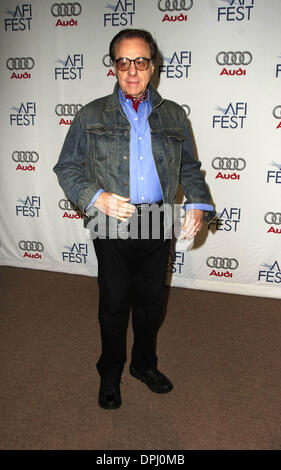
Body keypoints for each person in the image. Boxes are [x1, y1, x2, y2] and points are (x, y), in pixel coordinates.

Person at [53, 29, 214, 409]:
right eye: (123, 62)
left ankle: (144, 364)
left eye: (140, 61)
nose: (131, 70)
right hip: (111, 220)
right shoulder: (91, 114)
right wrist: (96, 197)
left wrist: (198, 203)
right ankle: (110, 373)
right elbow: (67, 168)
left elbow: (190, 167)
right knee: (113, 304)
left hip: (159, 218)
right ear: (114, 66)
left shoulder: (173, 114)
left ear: (153, 65)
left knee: (150, 303)